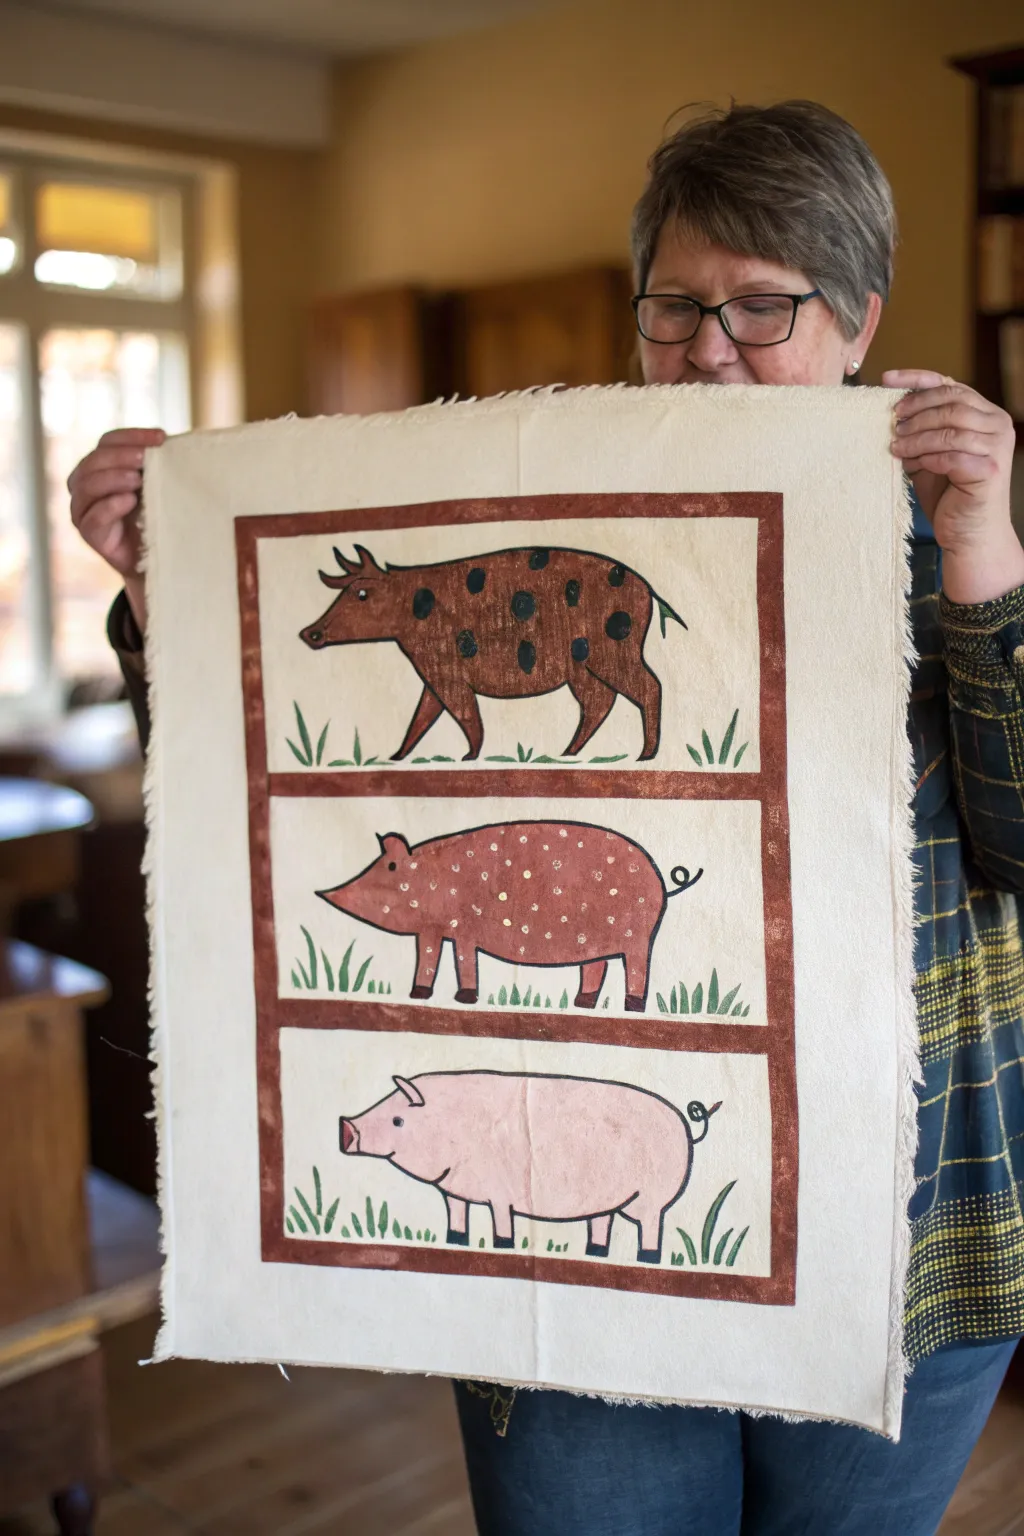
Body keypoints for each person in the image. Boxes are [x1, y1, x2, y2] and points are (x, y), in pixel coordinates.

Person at [68, 101, 1022, 1535]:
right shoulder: (507, 502)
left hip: (905, 1228)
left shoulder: (951, 535)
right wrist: (170, 585)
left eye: (764, 306)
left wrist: (983, 567)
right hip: (563, 1225)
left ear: (859, 320)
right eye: (676, 306)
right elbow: (275, 807)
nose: (710, 346)